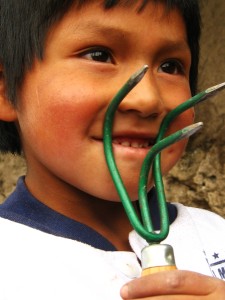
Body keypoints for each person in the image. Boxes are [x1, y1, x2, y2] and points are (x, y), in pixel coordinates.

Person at [0, 0, 225, 299]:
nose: (146, 100)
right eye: (100, 55)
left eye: (170, 66)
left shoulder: (216, 235)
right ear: (5, 91)